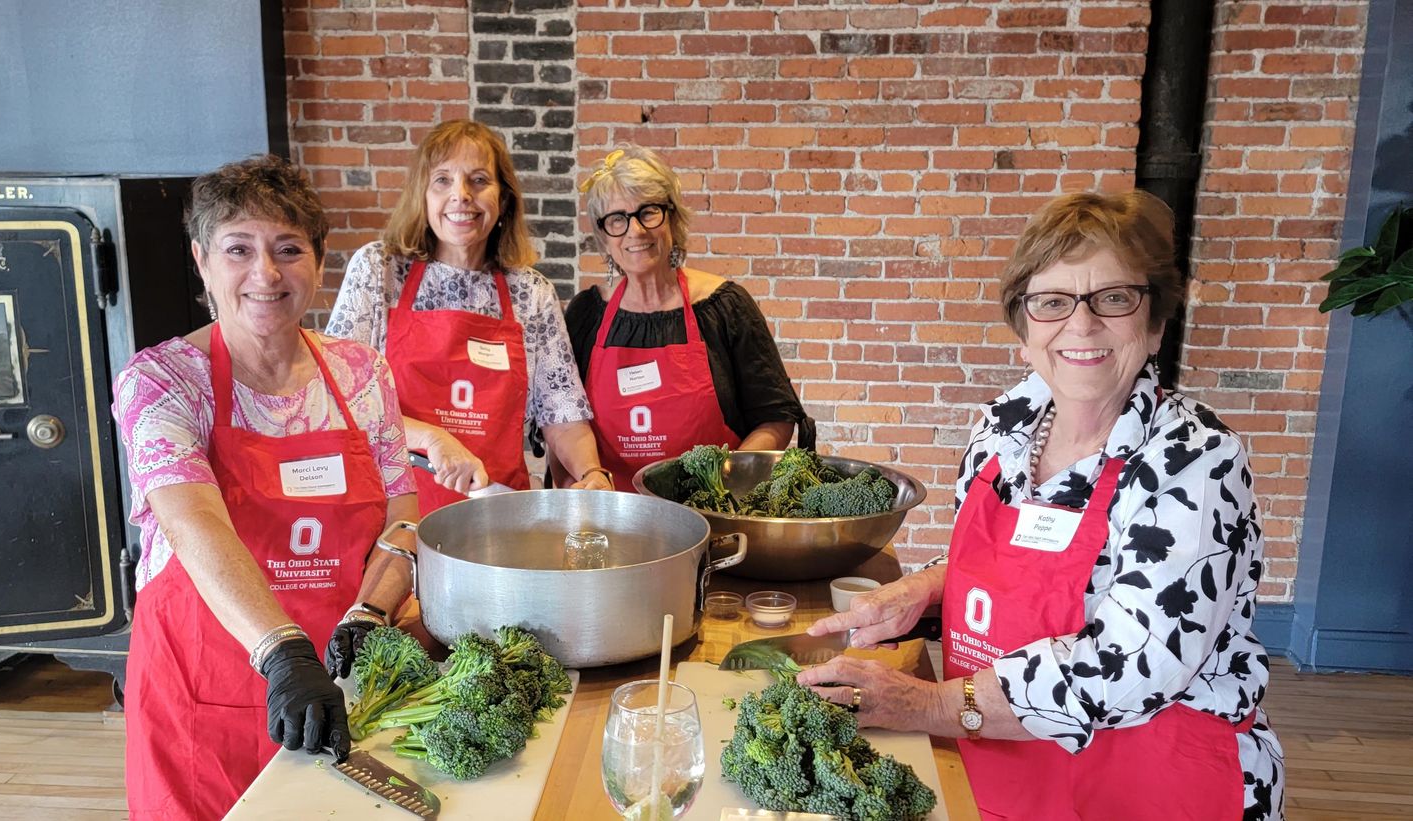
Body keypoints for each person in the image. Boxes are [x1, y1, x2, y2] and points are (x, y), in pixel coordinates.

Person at [796, 191, 1284, 820]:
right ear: (1023, 332)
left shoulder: (1193, 461)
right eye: (1052, 303)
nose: (1081, 326)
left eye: (1113, 298)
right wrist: (929, 586)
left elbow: (1131, 664)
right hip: (1004, 764)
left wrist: (929, 705)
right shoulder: (1004, 427)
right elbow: (1013, 560)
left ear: (1155, 323)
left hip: (1149, 782)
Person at [114, 156, 419, 821]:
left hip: (341, 684)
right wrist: (282, 654)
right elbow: (194, 521)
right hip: (204, 696)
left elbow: (403, 515)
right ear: (201, 260)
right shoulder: (164, 382)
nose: (267, 273)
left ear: (317, 259)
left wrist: (371, 609)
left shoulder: (361, 372)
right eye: (239, 249)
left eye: (288, 249)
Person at [326, 119, 611, 511]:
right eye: (442, 180)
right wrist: (432, 439)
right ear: (422, 195)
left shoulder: (530, 293)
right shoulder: (379, 271)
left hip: (495, 516)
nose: (461, 196)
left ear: (503, 199)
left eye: (479, 180)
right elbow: (339, 399)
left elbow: (561, 410)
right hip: (390, 516)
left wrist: (591, 474)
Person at [566, 147, 810, 487]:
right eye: (617, 220)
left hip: (712, 517)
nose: (635, 231)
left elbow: (776, 419)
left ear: (673, 219)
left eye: (648, 212)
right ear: (604, 238)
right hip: (613, 517)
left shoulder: (724, 307)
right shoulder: (586, 315)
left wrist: (726, 480)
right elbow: (563, 419)